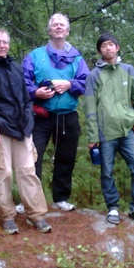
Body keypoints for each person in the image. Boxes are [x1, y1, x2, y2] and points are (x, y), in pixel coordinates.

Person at [0, 28, 52, 234]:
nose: (2, 45)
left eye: (5, 42)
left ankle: (37, 215)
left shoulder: (16, 69)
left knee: (28, 172)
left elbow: (26, 99)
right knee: (2, 173)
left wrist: (28, 123)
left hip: (21, 129)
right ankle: (7, 217)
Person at [20, 13, 89, 213]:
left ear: (67, 31)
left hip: (67, 115)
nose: (59, 28)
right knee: (33, 157)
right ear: (49, 30)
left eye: (62, 25)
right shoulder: (35, 56)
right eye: (55, 25)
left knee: (65, 158)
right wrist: (36, 92)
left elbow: (85, 83)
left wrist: (70, 84)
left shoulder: (77, 57)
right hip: (41, 115)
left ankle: (61, 198)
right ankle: (31, 200)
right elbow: (24, 81)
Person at [84, 33, 134, 226]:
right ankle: (112, 207)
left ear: (117, 47)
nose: (108, 48)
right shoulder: (94, 76)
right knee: (107, 171)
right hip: (105, 133)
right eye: (104, 46)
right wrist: (93, 136)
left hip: (127, 131)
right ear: (100, 51)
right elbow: (89, 108)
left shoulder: (129, 71)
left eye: (111, 45)